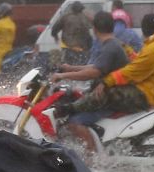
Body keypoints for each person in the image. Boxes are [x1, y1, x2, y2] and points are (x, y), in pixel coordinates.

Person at [55, 12, 154, 127]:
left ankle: (70, 109)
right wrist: (127, 50)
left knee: (104, 93)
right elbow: (141, 62)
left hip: (147, 95)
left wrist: (106, 82)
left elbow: (132, 71)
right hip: (153, 91)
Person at [51, 11, 131, 158]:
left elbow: (93, 73)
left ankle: (92, 158)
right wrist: (69, 68)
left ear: (94, 29)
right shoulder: (110, 44)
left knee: (75, 121)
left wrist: (63, 75)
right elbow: (95, 67)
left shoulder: (110, 47)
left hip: (110, 98)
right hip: (108, 94)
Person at [51, 0, 93, 66]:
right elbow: (88, 34)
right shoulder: (85, 18)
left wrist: (55, 36)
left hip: (68, 47)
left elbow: (55, 29)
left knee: (69, 66)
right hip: (83, 48)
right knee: (82, 66)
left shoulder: (65, 17)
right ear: (81, 9)